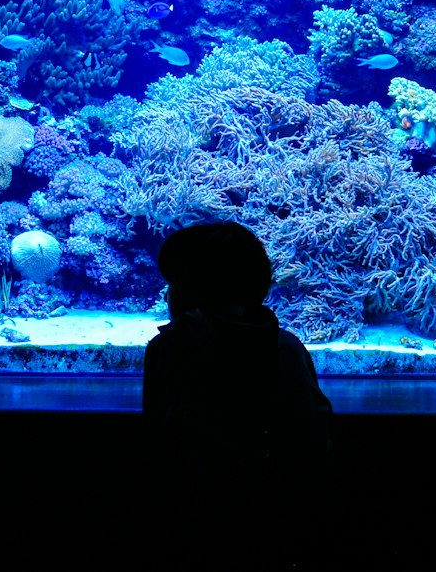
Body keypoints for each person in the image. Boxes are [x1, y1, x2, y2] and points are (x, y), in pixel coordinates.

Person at [142, 221, 335, 568]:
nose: (168, 295)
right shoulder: (286, 348)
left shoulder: (167, 350)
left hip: (193, 521)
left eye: (173, 285)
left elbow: (160, 437)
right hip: (283, 520)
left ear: (187, 295)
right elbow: (315, 434)